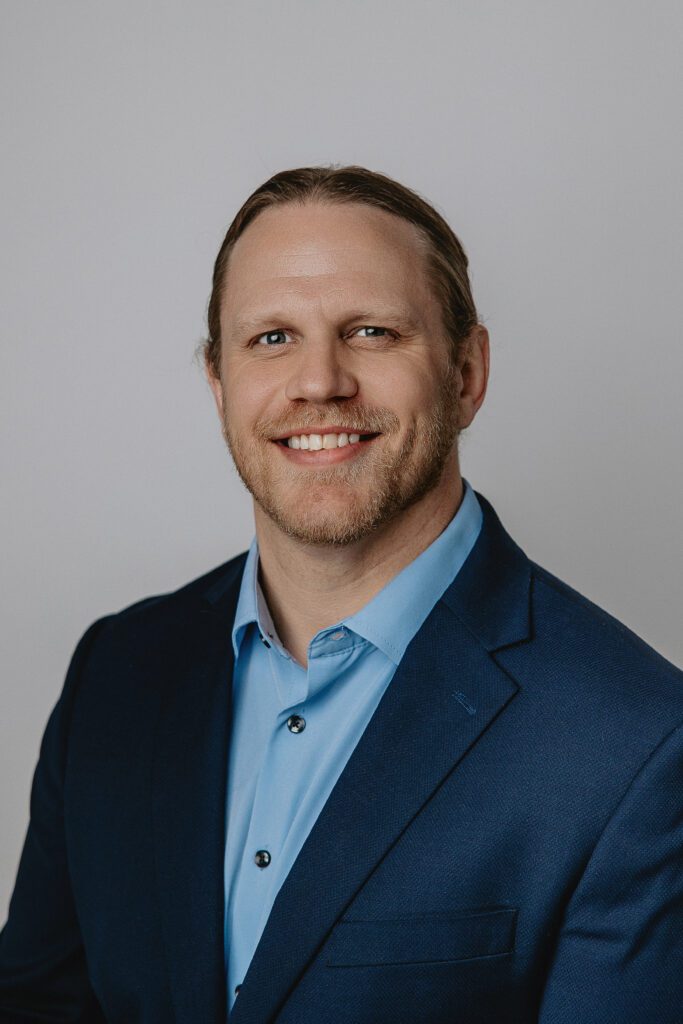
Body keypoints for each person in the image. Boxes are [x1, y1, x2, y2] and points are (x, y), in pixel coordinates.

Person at [1, 165, 681, 1024]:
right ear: (218, 384)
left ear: (466, 373)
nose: (319, 382)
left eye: (370, 331)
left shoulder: (636, 744)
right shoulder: (118, 670)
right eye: (271, 338)